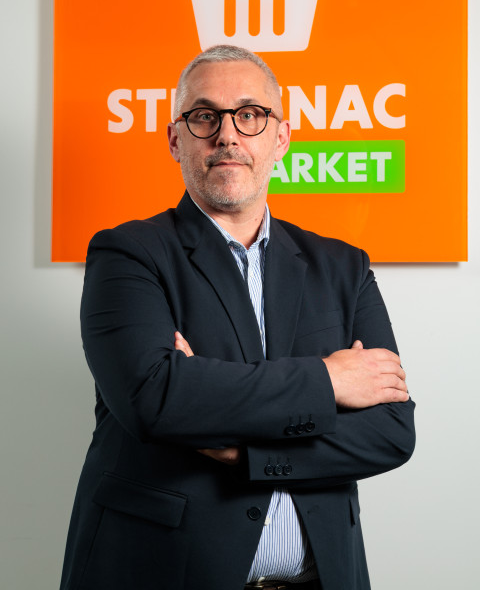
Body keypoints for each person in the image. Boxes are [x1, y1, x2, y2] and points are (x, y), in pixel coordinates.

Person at [59, 45, 415, 590]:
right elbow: (157, 399)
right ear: (175, 139)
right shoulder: (127, 254)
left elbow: (390, 431)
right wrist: (329, 380)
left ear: (281, 138)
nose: (227, 135)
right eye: (204, 116)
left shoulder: (344, 266)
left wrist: (244, 450)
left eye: (250, 114)